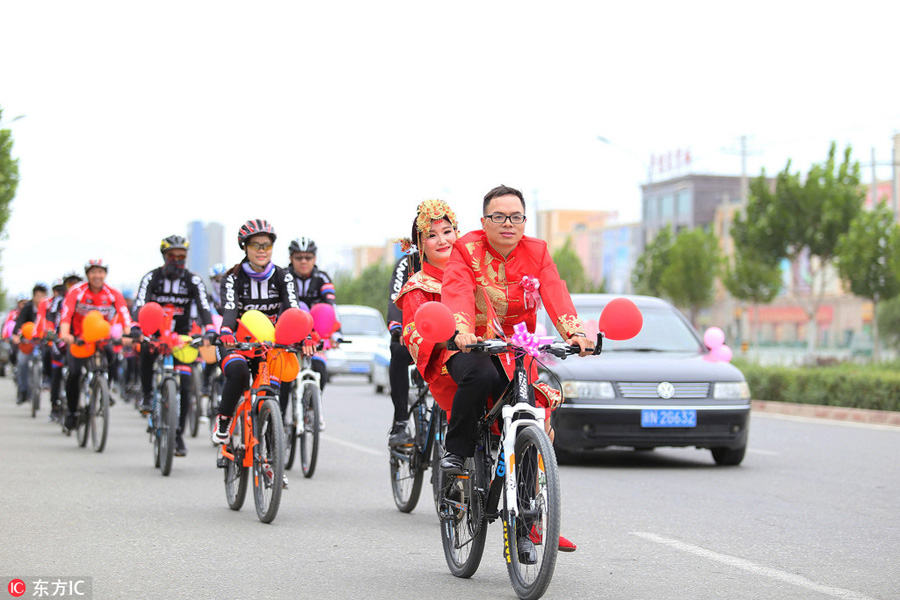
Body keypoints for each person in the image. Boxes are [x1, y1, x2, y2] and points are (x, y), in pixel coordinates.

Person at [440, 184, 591, 555]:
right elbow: (457, 289)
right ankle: (457, 452)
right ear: (484, 221)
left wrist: (575, 332)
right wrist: (460, 330)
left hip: (518, 347)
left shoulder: (537, 251)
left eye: (516, 216)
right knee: (482, 375)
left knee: (533, 420)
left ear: (525, 220)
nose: (508, 223)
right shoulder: (467, 249)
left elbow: (555, 291)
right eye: (499, 216)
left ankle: (527, 527)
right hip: (473, 342)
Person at [212, 219, 299, 453]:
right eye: (255, 245)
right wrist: (226, 331)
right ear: (245, 247)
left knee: (272, 393)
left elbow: (292, 309)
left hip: (268, 345)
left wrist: (303, 335)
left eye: (266, 245)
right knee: (239, 372)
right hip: (238, 342)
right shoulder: (232, 277)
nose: (262, 250)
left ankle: (272, 460)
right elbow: (229, 308)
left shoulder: (283, 277)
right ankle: (224, 419)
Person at [132, 235, 216, 457]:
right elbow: (140, 303)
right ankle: (148, 395)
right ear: (164, 257)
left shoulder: (193, 280)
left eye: (182, 257)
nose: (177, 260)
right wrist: (135, 327)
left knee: (186, 384)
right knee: (146, 350)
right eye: (172, 256)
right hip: (155, 332)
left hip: (182, 337)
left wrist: (209, 329)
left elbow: (204, 306)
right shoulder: (151, 277)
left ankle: (177, 435)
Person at [390, 201, 453, 446]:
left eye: (446, 231)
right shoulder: (407, 265)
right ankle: (400, 421)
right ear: (419, 240)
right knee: (397, 350)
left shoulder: (466, 266)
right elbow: (394, 299)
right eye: (430, 234)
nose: (440, 240)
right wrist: (397, 329)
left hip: (457, 339)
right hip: (418, 331)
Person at [58, 260, 133, 431]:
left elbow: (124, 314)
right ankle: (72, 412)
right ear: (87, 274)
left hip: (101, 338)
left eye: (100, 272)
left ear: (105, 274)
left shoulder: (113, 293)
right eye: (93, 272)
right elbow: (66, 315)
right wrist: (65, 334)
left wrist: (128, 334)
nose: (97, 276)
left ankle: (104, 391)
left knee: (113, 359)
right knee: (75, 372)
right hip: (79, 339)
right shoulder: (77, 291)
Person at [284, 236, 339, 430]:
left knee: (320, 368)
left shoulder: (322, 278)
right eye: (299, 257)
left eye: (308, 257)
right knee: (285, 377)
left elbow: (331, 307)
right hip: (289, 333)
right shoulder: (284, 276)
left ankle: (311, 409)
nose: (304, 262)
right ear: (291, 258)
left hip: (315, 335)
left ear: (314, 258)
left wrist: (337, 332)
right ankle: (279, 419)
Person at [12, 283, 49, 404]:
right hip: (28, 339)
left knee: (49, 356)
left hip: (43, 339)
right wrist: (17, 336)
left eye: (43, 296)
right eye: (38, 296)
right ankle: (23, 391)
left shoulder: (49, 307)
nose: (40, 299)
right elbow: (19, 323)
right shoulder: (27, 307)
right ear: (33, 297)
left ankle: (46, 380)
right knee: (22, 362)